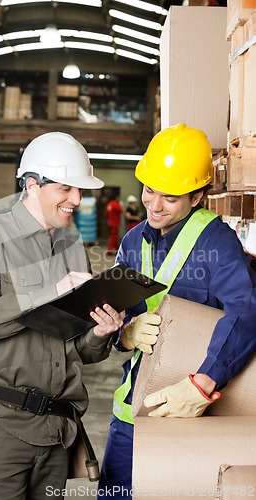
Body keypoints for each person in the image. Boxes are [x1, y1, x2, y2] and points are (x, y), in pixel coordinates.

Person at [0, 131, 125, 500]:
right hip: (0, 423)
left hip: (58, 429)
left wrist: (100, 332)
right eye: (66, 188)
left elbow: (77, 348)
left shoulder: (71, 247)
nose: (76, 199)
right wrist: (50, 290)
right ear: (32, 185)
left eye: (78, 190)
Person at [98, 123, 256, 500]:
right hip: (132, 412)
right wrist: (125, 333)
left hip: (192, 412)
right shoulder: (133, 241)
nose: (154, 205)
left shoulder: (217, 242)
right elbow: (118, 314)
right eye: (150, 190)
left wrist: (204, 382)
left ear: (198, 195)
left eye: (169, 197)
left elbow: (246, 310)